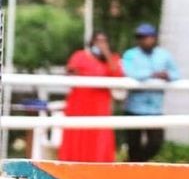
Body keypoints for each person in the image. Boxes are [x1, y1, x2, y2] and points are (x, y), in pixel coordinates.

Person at [58, 31, 124, 162]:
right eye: (98, 41)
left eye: (104, 41)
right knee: (77, 134)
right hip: (79, 103)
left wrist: (107, 54)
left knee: (99, 135)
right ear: (91, 42)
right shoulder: (80, 56)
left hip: (100, 105)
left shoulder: (113, 59)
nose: (100, 44)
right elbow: (70, 72)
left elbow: (117, 75)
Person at [121, 23, 180, 162]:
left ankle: (135, 164)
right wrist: (153, 74)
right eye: (140, 37)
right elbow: (130, 73)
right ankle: (133, 171)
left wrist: (167, 76)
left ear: (154, 38)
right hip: (134, 107)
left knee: (155, 143)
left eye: (147, 37)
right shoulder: (130, 54)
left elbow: (176, 73)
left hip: (155, 107)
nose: (144, 40)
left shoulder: (164, 55)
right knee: (133, 144)